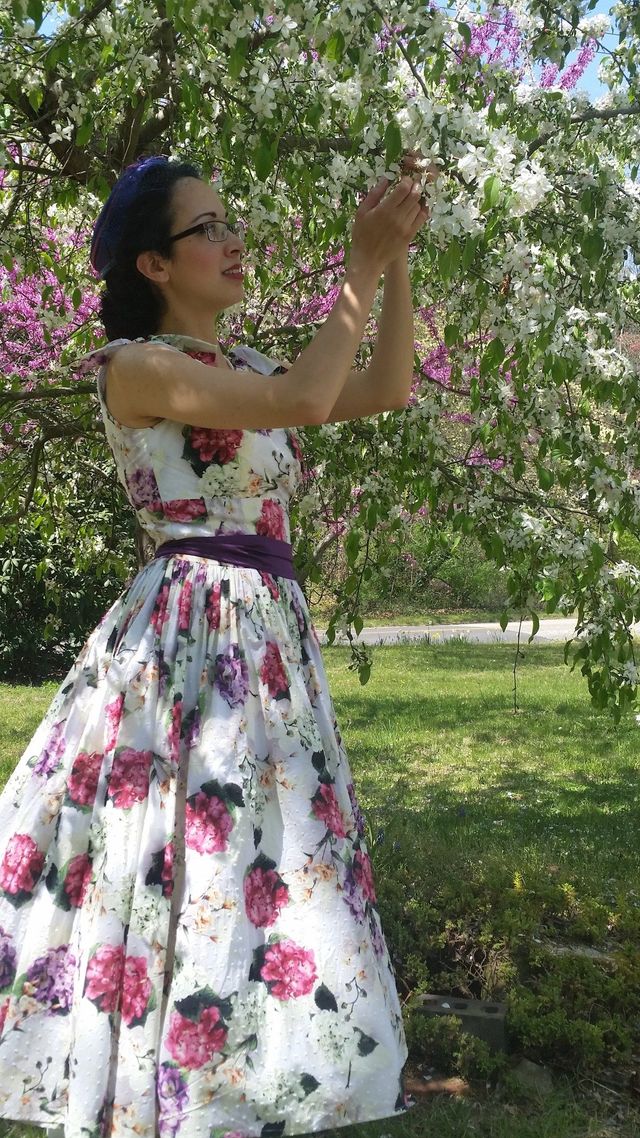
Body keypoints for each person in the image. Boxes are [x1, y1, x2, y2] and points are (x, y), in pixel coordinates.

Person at [0, 153, 430, 1138]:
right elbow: (307, 403)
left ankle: (231, 1087)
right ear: (154, 263)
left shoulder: (236, 367)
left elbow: (386, 385)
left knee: (265, 862)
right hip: (191, 641)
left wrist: (394, 256)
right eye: (209, 228)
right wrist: (356, 270)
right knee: (188, 862)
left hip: (262, 636)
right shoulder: (137, 367)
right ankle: (170, 1094)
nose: (233, 241)